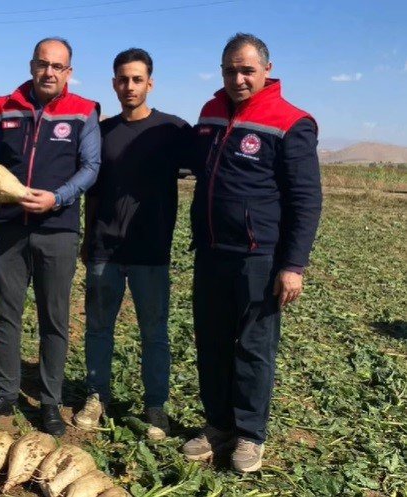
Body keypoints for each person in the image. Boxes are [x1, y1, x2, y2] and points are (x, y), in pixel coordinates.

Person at [184, 33, 322, 473]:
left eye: (246, 70)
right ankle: (218, 424)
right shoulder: (210, 112)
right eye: (230, 70)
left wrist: (293, 265)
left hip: (258, 256)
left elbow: (305, 199)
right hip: (210, 251)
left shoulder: (290, 120)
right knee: (211, 342)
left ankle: (249, 434)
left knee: (253, 347)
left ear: (266, 68)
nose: (238, 78)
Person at [0, 37, 101, 436]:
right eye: (43, 64)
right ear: (31, 65)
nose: (49, 72)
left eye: (58, 66)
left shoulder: (83, 111)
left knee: (54, 318)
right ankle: (4, 393)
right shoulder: (5, 107)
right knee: (4, 313)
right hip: (8, 227)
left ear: (69, 72)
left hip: (56, 230)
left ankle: (51, 402)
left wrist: (58, 197)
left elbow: (91, 167)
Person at [71, 48, 191, 440]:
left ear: (150, 84)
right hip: (105, 250)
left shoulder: (172, 131)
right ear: (113, 84)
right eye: (123, 79)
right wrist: (87, 240)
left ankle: (155, 406)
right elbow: (91, 193)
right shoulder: (102, 133)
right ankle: (96, 396)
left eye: (137, 79)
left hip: (151, 252)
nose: (129, 86)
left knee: (154, 333)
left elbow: (210, 168)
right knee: (98, 329)